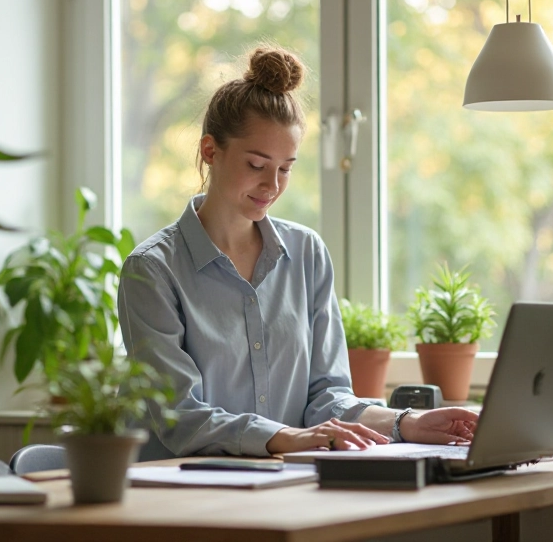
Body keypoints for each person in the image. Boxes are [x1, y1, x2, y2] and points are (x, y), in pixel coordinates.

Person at [118, 46, 478, 461]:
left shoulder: (306, 253)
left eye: (285, 168)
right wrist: (287, 437)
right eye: (256, 165)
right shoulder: (151, 270)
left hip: (282, 483)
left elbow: (327, 396)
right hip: (177, 493)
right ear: (210, 151)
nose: (272, 185)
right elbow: (180, 415)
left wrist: (407, 423)